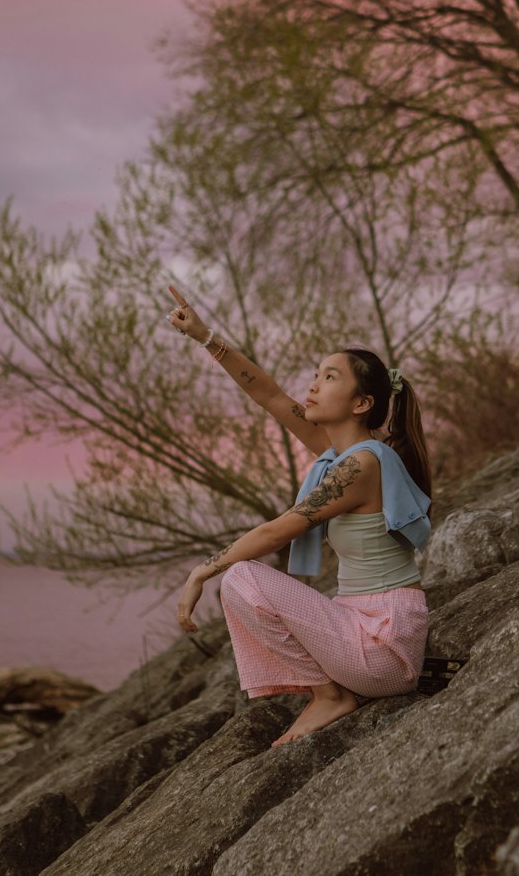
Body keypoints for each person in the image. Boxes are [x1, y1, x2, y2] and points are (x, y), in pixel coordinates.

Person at [166, 285, 432, 747]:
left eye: (329, 377)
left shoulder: (361, 464)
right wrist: (206, 337)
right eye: (315, 374)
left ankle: (329, 695)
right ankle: (330, 691)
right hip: (366, 630)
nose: (313, 384)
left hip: (383, 645)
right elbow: (268, 395)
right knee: (244, 580)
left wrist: (203, 570)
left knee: (241, 579)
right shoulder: (343, 455)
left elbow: (281, 529)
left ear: (361, 403)